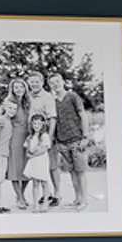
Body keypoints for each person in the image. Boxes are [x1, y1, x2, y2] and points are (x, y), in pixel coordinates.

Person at [47, 73, 90, 210]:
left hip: (77, 139)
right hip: (62, 142)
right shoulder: (52, 101)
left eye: (57, 81)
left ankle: (84, 200)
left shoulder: (72, 96)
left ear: (63, 82)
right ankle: (77, 198)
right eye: (52, 83)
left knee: (80, 171)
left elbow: (83, 115)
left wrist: (85, 136)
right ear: (50, 85)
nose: (55, 84)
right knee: (72, 172)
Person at [26, 72, 58, 205]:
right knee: (37, 165)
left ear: (42, 81)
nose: (34, 84)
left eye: (36, 81)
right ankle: (48, 194)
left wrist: (49, 138)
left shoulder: (47, 97)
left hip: (45, 135)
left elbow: (52, 118)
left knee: (51, 166)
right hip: (33, 135)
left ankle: (57, 194)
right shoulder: (28, 96)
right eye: (31, 81)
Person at [4, 78, 32, 209]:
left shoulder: (29, 102)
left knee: (27, 169)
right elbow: (1, 117)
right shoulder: (9, 102)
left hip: (28, 137)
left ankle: (21, 195)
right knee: (15, 168)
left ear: (25, 88)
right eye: (16, 87)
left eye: (21, 87)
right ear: (13, 89)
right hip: (14, 137)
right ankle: (20, 198)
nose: (19, 89)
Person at [22, 113, 53, 212]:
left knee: (44, 182)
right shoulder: (30, 137)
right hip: (34, 162)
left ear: (43, 124)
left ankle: (45, 203)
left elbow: (43, 150)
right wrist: (28, 154)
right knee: (35, 183)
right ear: (31, 124)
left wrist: (32, 155)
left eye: (39, 124)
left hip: (42, 160)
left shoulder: (44, 136)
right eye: (34, 124)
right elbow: (27, 149)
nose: (36, 126)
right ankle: (35, 204)